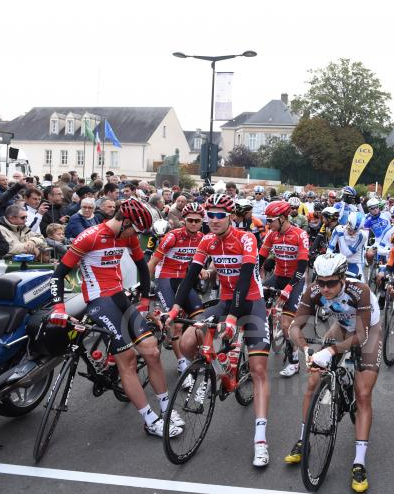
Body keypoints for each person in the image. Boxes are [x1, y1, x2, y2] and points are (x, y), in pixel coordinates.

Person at [48, 198, 181, 438]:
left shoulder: (128, 235)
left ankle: (166, 408)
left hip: (119, 296)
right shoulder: (90, 236)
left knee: (152, 351)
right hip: (99, 301)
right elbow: (58, 275)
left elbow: (142, 266)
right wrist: (58, 307)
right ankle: (150, 421)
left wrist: (143, 301)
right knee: (128, 359)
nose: (136, 236)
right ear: (126, 220)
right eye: (136, 230)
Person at [165, 193, 271, 467]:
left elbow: (245, 278)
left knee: (259, 370)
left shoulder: (247, 238)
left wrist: (234, 317)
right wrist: (176, 308)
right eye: (209, 215)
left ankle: (260, 439)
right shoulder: (206, 240)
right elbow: (190, 275)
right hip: (226, 300)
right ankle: (214, 368)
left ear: (231, 216)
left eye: (219, 215)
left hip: (251, 302)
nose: (213, 220)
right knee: (188, 342)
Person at [283, 253, 382, 492]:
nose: (325, 288)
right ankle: (303, 437)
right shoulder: (315, 290)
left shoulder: (360, 290)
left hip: (367, 331)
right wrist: (307, 349)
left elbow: (363, 335)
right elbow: (295, 326)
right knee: (313, 380)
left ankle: (359, 462)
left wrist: (330, 351)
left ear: (342, 279)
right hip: (343, 325)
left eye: (331, 283)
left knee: (364, 394)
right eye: (321, 282)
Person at [148, 202, 206, 389]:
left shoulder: (202, 238)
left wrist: (203, 270)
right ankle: (182, 363)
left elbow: (198, 261)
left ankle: (192, 353)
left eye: (198, 221)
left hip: (183, 279)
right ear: (183, 220)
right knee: (177, 324)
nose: (194, 224)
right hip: (164, 278)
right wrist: (146, 287)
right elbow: (152, 262)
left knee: (200, 320)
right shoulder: (172, 236)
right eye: (190, 220)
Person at [259, 200, 310, 378]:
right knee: (256, 301)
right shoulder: (271, 234)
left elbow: (303, 266)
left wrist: (289, 288)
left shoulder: (300, 234)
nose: (268, 223)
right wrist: (255, 281)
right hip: (278, 275)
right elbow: (259, 258)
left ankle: (294, 362)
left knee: (287, 325)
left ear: (282, 218)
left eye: (270, 220)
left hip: (295, 279)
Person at [328, 211, 368, 279]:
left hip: (356, 262)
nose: (352, 232)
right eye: (350, 229)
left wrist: (341, 236)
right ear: (347, 223)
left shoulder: (362, 236)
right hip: (342, 261)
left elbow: (346, 253)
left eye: (355, 231)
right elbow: (330, 248)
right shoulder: (338, 229)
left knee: (359, 287)